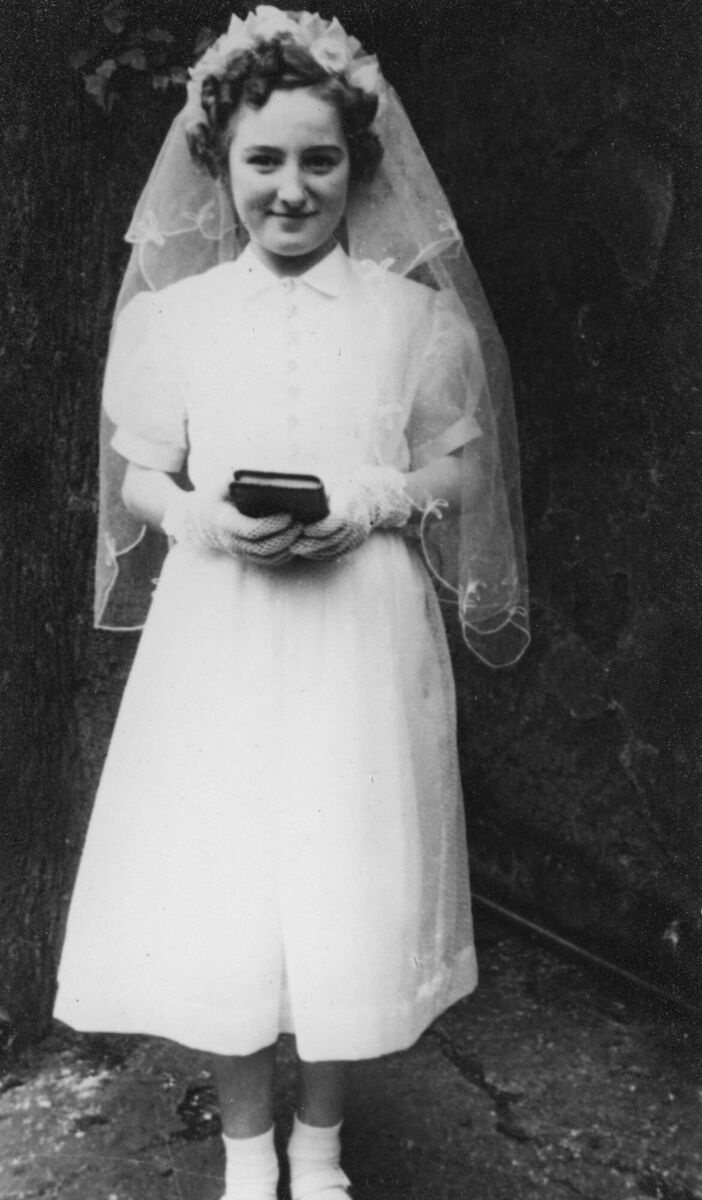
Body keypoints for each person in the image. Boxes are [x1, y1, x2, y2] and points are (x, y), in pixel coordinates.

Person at [54, 8, 529, 1199]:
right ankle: (245, 1149)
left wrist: (373, 498)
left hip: (360, 630)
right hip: (221, 631)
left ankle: (319, 1147)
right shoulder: (175, 318)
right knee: (229, 880)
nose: (291, 187)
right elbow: (139, 474)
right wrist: (200, 516)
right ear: (220, 165)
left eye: (320, 159)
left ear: (357, 167)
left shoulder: (414, 320)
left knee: (344, 878)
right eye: (263, 159)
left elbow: (461, 468)